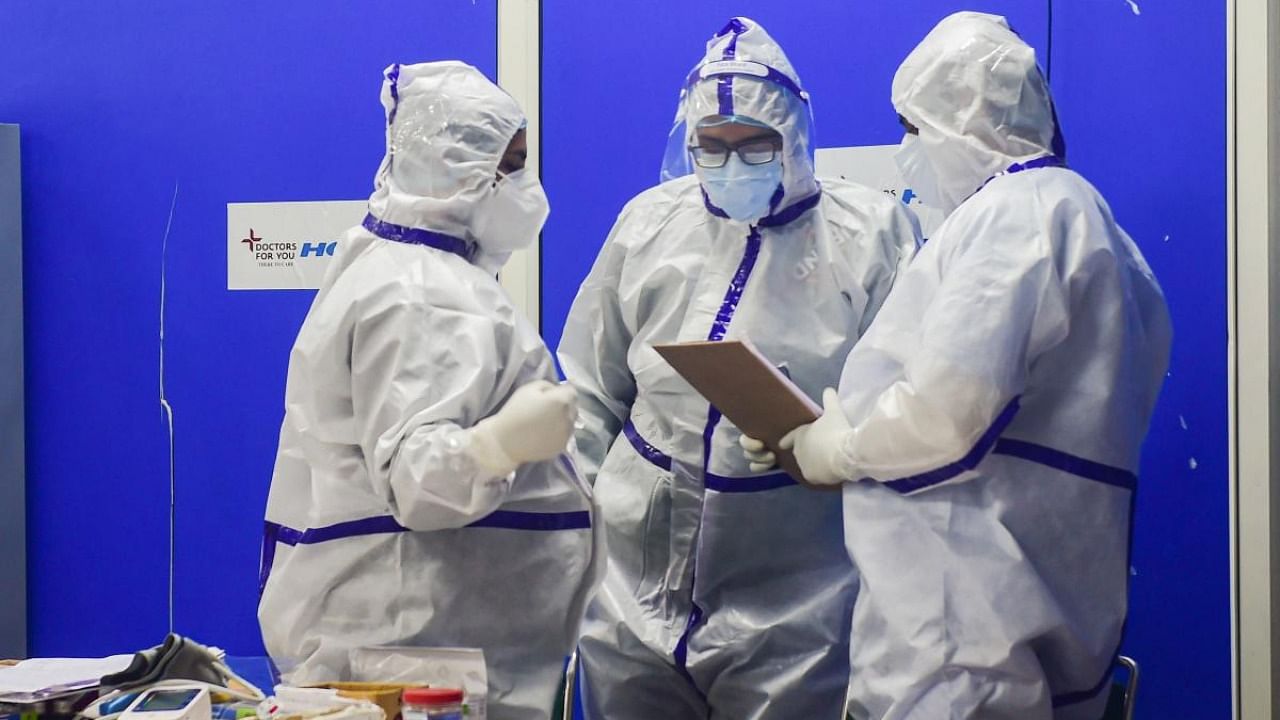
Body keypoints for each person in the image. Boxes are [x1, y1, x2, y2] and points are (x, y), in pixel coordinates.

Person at [742, 12, 1173, 719]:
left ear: (959, 121)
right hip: (1028, 636)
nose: (907, 152)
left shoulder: (1018, 213)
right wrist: (827, 438)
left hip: (962, 654)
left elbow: (950, 416)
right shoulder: (1103, 239)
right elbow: (1015, 428)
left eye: (912, 128)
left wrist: (842, 448)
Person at [559, 17, 919, 720]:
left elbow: (905, 400)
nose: (732, 164)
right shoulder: (648, 226)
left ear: (792, 136)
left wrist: (830, 440)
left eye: (753, 144)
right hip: (630, 592)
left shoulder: (871, 236)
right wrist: (583, 538)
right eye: (710, 148)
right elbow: (590, 388)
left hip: (797, 600)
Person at [258, 61, 601, 720]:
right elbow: (421, 483)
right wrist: (502, 444)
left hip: (422, 633)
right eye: (513, 163)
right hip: (421, 640)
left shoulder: (404, 269)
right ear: (460, 170)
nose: (526, 184)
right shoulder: (419, 293)